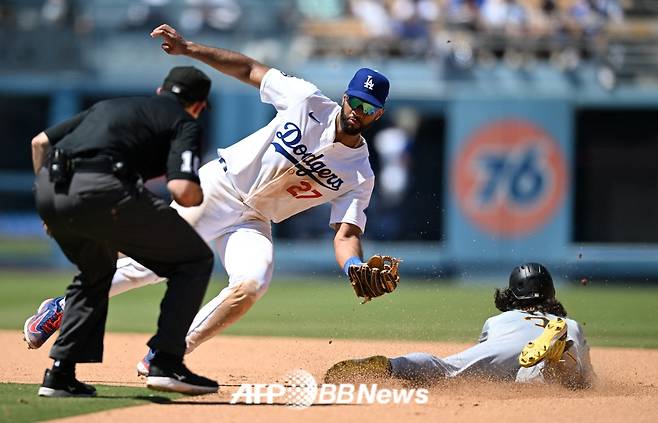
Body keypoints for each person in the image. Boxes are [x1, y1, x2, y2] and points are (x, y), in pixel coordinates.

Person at [24, 23, 393, 376]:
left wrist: (353, 268)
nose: (357, 114)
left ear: (378, 114)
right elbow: (250, 68)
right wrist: (188, 49)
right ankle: (61, 307)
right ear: (345, 97)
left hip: (254, 219)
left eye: (368, 109)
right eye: (356, 103)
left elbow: (345, 235)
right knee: (150, 266)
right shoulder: (306, 100)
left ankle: (167, 353)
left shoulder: (360, 174)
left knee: (252, 282)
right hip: (219, 187)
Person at [30, 66, 219, 397]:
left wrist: (52, 202)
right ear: (199, 105)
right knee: (195, 259)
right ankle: (166, 361)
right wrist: (200, 193)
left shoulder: (109, 106)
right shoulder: (185, 121)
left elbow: (40, 142)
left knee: (96, 273)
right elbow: (182, 190)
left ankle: (60, 375)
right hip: (104, 188)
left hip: (50, 190)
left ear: (161, 91)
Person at [324, 263, 595, 389]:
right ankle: (558, 356)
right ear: (550, 293)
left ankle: (394, 366)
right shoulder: (570, 324)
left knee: (446, 369)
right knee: (572, 380)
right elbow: (591, 380)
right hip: (557, 339)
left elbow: (484, 369)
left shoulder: (498, 320)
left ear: (512, 294)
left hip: (505, 346)